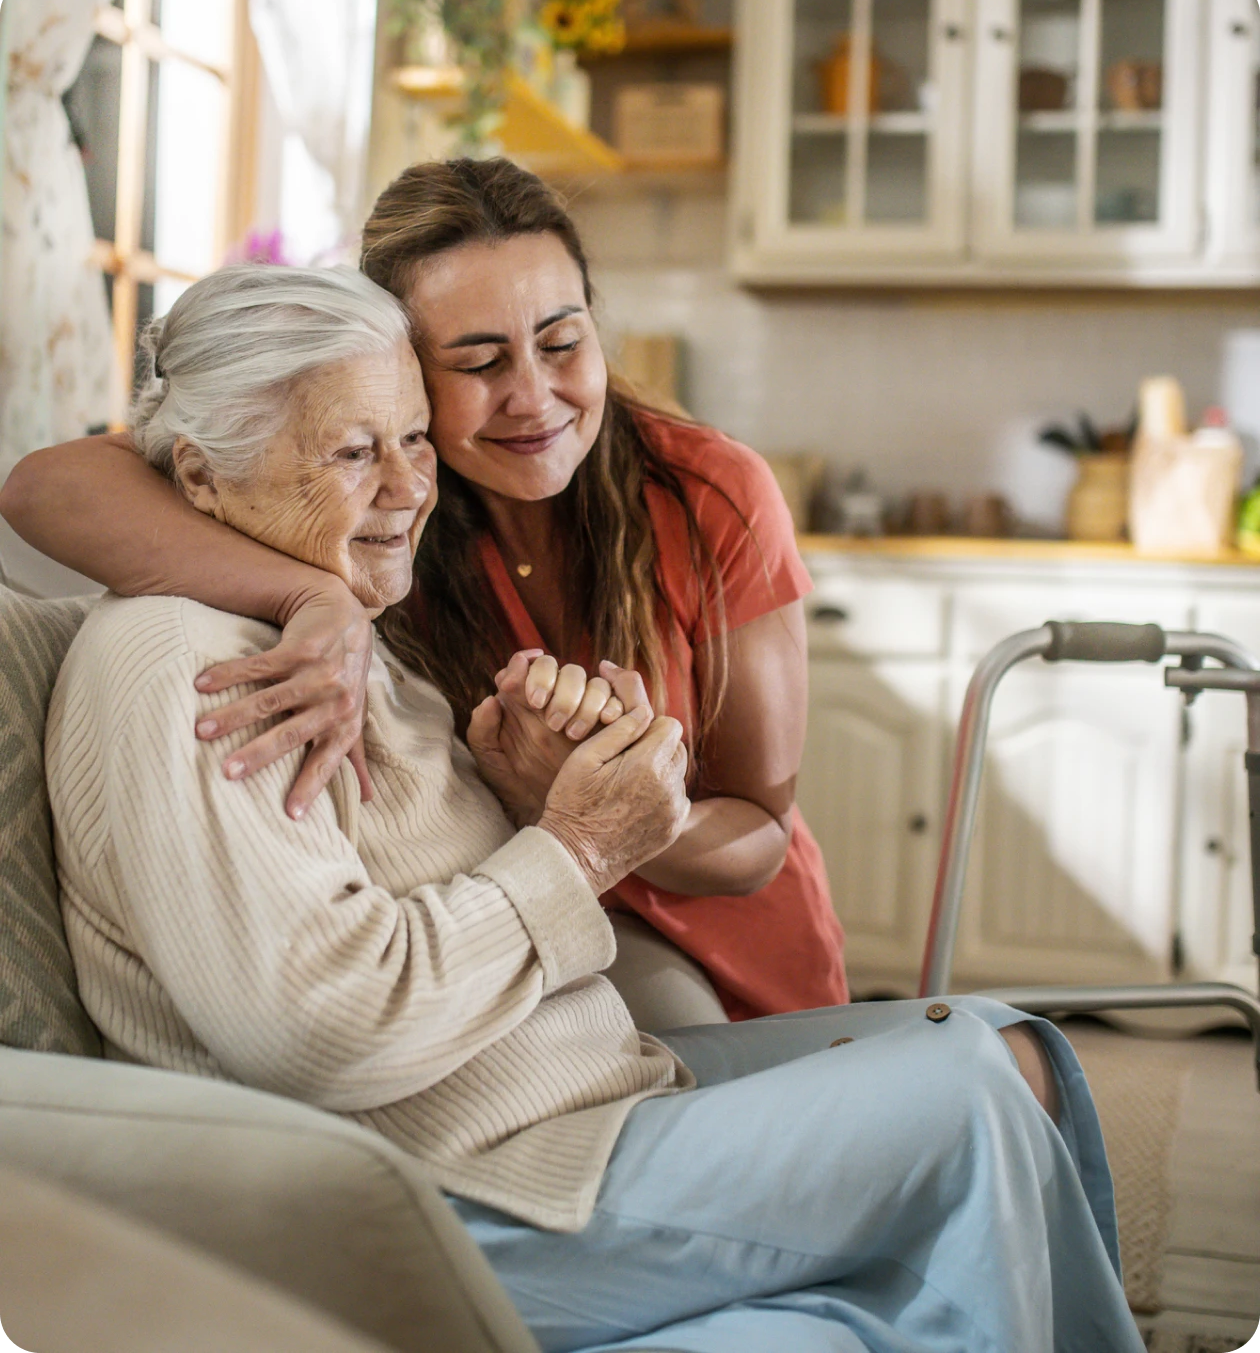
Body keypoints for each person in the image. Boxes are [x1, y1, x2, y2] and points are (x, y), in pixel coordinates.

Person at [43, 264, 1144, 1353]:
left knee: (1007, 1046)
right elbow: (322, 1021)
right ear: (198, 473)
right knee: (967, 1098)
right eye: (349, 451)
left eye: (415, 438)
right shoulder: (189, 669)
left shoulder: (325, 629)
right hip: (481, 1185)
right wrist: (574, 846)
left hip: (581, 1106)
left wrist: (545, 784)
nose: (408, 485)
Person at [3, 157, 846, 1023]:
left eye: (563, 343)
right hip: (520, 946)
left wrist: (609, 811)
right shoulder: (386, 510)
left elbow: (760, 835)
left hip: (735, 951)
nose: (535, 398)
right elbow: (42, 489)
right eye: (479, 361)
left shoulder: (707, 494)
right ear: (402, 367)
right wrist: (313, 599)